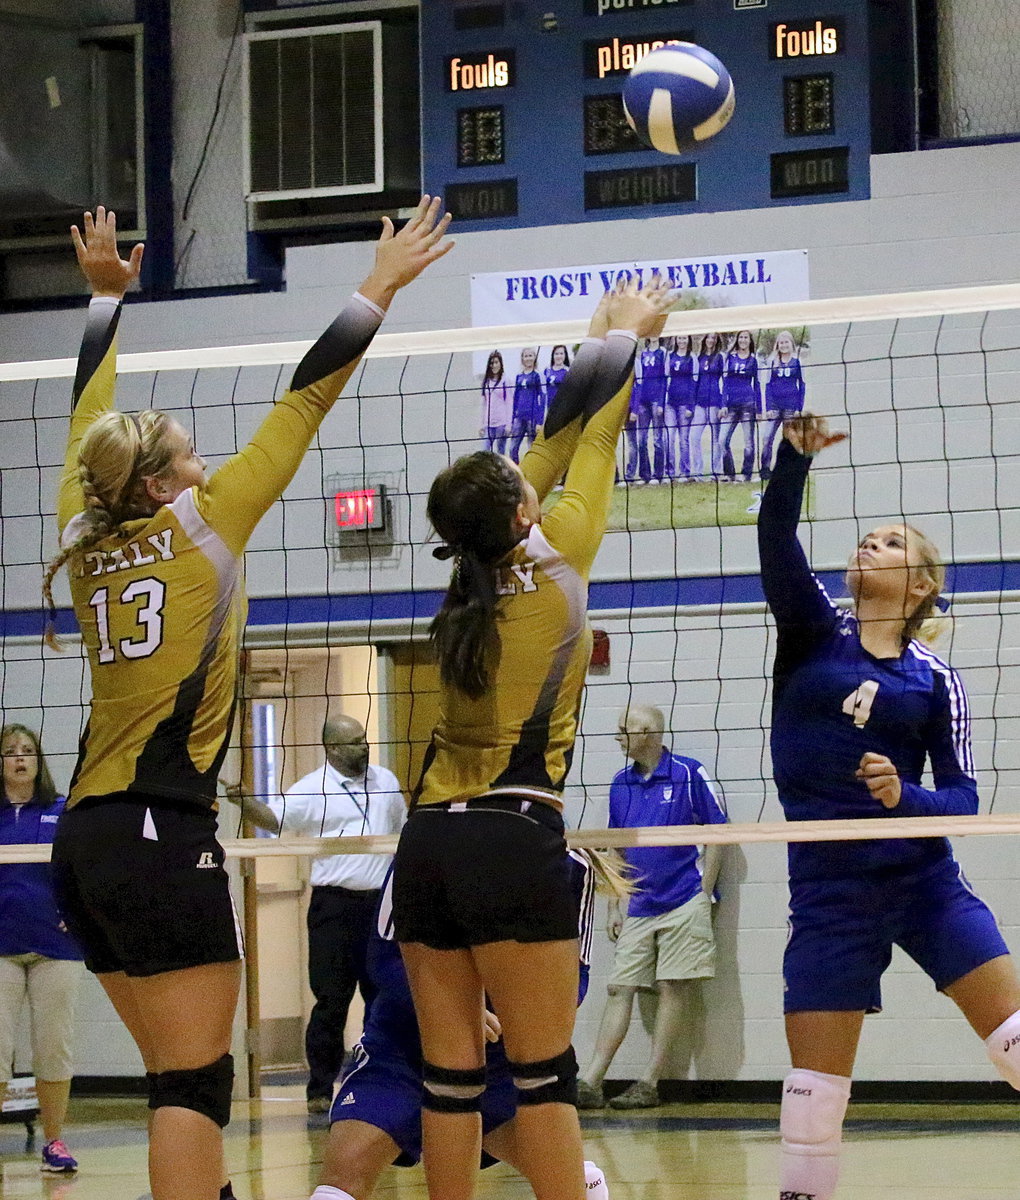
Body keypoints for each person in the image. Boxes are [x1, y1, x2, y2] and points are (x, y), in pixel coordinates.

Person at [44, 199, 451, 1200]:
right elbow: (306, 398)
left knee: (168, 1079)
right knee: (191, 1083)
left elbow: (83, 423)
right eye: (185, 455)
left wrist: (104, 307)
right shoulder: (205, 525)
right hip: (158, 833)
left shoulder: (84, 530)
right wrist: (378, 288)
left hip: (84, 843)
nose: (203, 464)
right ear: (155, 488)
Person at [391, 277, 674, 1200]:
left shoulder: (460, 588)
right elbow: (590, 441)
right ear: (520, 516)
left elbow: (542, 451)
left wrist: (595, 340)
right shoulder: (561, 554)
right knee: (544, 1073)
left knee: (449, 1079)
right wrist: (628, 344)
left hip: (428, 844)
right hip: (513, 839)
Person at [758, 413, 1020, 1200]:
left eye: (891, 542)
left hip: (921, 880)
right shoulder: (811, 634)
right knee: (811, 1102)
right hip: (830, 890)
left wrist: (904, 796)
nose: (870, 544)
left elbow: (965, 799)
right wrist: (792, 461)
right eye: (867, 538)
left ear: (922, 585)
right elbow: (776, 539)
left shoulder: (935, 679)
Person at [307, 850, 613, 1200]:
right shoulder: (427, 843)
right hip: (403, 1048)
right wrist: (454, 1006)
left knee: (574, 1182)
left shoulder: (567, 864)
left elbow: (576, 979)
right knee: (337, 1187)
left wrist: (516, 1011)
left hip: (502, 1063)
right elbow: (383, 958)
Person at [576, 703, 727, 1111]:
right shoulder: (619, 783)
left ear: (648, 732)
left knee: (672, 987)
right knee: (619, 987)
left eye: (624, 730)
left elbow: (718, 833)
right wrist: (614, 905)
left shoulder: (689, 773)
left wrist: (703, 893)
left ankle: (650, 1082)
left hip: (683, 900)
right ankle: (590, 1081)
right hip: (639, 903)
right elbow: (616, 847)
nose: (617, 737)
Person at [267, 715, 406, 1114]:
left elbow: (401, 831)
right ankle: (319, 1087)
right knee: (331, 1000)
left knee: (381, 996)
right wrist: (246, 802)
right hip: (333, 905)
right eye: (354, 742)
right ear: (331, 749)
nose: (364, 746)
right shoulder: (312, 789)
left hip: (380, 905)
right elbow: (275, 820)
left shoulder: (386, 781)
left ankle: (377, 1077)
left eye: (365, 739)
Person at [0, 725, 84, 1174]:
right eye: (9, 751)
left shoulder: (60, 810)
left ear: (39, 760)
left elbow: (82, 871)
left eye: (27, 751)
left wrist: (80, 914)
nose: (19, 758)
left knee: (54, 1047)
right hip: (1, 948)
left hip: (56, 946)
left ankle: (55, 1142)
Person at [759, 330, 805, 481]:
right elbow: (768, 387)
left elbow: (802, 386)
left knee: (789, 441)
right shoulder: (773, 362)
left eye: (786, 342)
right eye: (781, 342)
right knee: (767, 438)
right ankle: (765, 470)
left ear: (791, 344)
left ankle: (788, 472)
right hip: (775, 407)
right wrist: (769, 408)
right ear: (777, 345)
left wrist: (799, 408)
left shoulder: (797, 362)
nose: (784, 345)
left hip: (790, 407)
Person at [720, 330, 761, 483]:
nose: (743, 340)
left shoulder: (753, 360)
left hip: (748, 405)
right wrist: (723, 404)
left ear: (750, 340)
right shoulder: (729, 358)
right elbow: (725, 384)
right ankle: (729, 474)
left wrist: (760, 409)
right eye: (741, 337)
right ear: (737, 340)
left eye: (746, 337)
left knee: (749, 442)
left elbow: (756, 385)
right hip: (731, 405)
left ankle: (746, 474)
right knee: (722, 440)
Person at [690, 331, 725, 480]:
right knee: (694, 437)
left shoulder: (720, 358)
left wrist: (723, 404)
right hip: (700, 403)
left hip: (715, 402)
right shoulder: (698, 358)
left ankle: (716, 471)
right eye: (708, 337)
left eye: (713, 338)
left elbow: (726, 382)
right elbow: (695, 382)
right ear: (704, 339)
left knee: (716, 438)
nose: (710, 340)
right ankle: (697, 471)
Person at [665, 334, 698, 481]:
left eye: (685, 338)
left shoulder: (692, 357)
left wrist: (691, 406)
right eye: (680, 338)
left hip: (685, 404)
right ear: (675, 340)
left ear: (688, 340)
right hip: (671, 403)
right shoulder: (670, 356)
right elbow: (665, 379)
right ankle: (670, 472)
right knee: (669, 437)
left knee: (683, 439)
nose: (682, 341)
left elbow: (694, 382)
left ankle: (685, 471)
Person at [508, 347, 544, 463]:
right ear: (522, 359)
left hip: (532, 417)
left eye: (530, 356)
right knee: (513, 447)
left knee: (531, 447)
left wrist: (539, 421)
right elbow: (515, 398)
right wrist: (512, 418)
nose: (528, 358)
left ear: (534, 358)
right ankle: (516, 472)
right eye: (526, 356)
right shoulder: (519, 376)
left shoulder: (537, 375)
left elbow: (542, 398)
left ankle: (531, 473)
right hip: (519, 416)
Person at [480, 350, 511, 455]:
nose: (494, 365)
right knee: (485, 451)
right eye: (492, 363)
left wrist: (508, 425)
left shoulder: (505, 380)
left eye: (496, 362)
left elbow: (509, 402)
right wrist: (482, 424)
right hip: (489, 423)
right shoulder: (486, 381)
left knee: (500, 452)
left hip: (501, 423)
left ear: (501, 364)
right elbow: (484, 404)